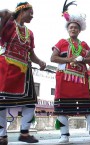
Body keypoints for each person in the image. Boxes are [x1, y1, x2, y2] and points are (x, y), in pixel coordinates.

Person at [50, 1, 90, 143]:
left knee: (88, 107)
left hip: (80, 80)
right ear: (68, 29)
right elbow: (53, 58)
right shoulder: (61, 42)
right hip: (64, 79)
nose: (73, 29)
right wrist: (71, 59)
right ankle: (64, 135)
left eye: (76, 28)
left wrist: (84, 61)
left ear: (79, 30)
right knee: (62, 108)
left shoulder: (83, 44)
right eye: (71, 27)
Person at [0, 2, 46, 144]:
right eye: (30, 12)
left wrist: (40, 62)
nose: (32, 16)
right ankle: (2, 135)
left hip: (24, 71)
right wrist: (4, 14)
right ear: (21, 11)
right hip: (6, 67)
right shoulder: (8, 24)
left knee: (31, 103)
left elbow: (31, 53)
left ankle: (24, 133)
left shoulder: (30, 33)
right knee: (1, 103)